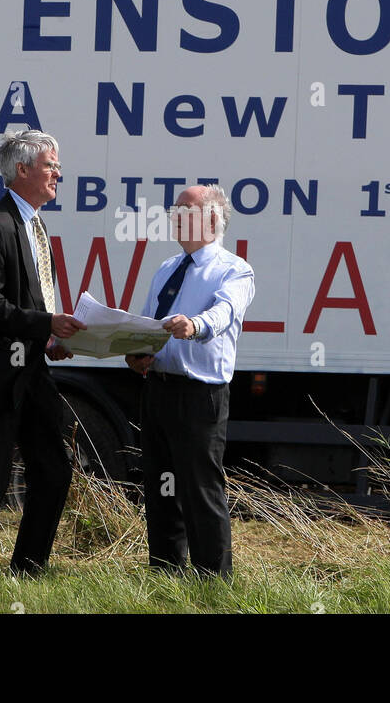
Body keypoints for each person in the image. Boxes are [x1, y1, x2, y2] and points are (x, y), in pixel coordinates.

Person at [0, 129, 86, 575]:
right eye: (51, 165)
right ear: (22, 169)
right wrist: (45, 324)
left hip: (30, 368)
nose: (58, 174)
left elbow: (28, 300)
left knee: (54, 466)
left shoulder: (35, 224)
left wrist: (48, 339)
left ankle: (29, 566)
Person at [125, 184, 254, 579]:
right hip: (159, 390)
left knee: (200, 491)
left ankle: (213, 583)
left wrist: (195, 325)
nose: (174, 216)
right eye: (174, 209)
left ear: (212, 219)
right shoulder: (167, 269)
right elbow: (149, 324)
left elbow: (223, 313)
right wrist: (136, 351)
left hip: (200, 397)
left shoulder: (235, 270)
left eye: (185, 209)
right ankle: (166, 575)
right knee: (161, 489)